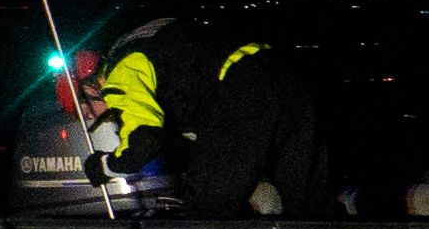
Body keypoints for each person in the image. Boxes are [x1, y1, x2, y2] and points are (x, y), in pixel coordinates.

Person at [91, 15, 334, 218]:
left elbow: (144, 140)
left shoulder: (119, 74)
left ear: (91, 90)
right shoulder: (145, 43)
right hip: (281, 70)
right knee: (308, 201)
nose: (102, 117)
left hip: (238, 85)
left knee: (208, 206)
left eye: (89, 111)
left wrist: (105, 166)